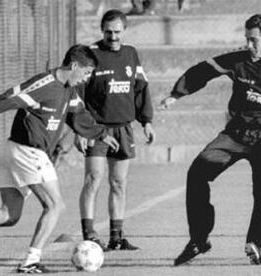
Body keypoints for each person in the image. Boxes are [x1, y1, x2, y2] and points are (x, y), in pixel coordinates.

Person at [0, 44, 120, 274]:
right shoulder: (44, 84)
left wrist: (101, 134)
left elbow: (79, 117)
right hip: (27, 151)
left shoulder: (69, 90)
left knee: (8, 215)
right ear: (74, 66)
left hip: (17, 151)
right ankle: (31, 262)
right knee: (55, 205)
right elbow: (7, 99)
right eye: (85, 72)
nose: (85, 79)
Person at [160, 14, 261, 266]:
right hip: (235, 134)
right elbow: (203, 70)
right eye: (246, 39)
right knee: (197, 173)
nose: (248, 45)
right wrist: (176, 94)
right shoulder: (238, 60)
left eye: (253, 40)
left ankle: (256, 243)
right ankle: (199, 240)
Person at [75, 9, 155, 251]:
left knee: (119, 183)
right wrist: (80, 130)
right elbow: (77, 94)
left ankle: (116, 238)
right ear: (102, 31)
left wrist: (147, 121)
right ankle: (89, 236)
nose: (113, 37)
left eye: (117, 32)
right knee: (93, 179)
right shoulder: (91, 54)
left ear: (125, 31)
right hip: (96, 129)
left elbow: (141, 88)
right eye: (108, 32)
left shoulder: (131, 54)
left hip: (123, 128)